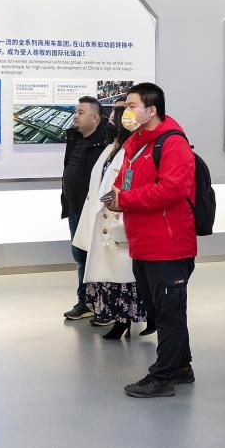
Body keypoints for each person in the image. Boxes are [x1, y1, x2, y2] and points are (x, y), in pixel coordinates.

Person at [104, 83, 196, 397]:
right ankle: (181, 367)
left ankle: (163, 376)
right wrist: (115, 196)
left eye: (131, 106)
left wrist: (126, 199)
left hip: (168, 244)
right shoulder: (137, 143)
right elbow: (123, 180)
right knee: (161, 311)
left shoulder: (172, 143)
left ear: (151, 110)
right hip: (143, 241)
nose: (125, 113)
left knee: (169, 313)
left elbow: (173, 189)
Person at [73, 105, 145, 339]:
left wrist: (109, 202)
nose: (110, 122)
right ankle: (114, 317)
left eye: (114, 118)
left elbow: (124, 185)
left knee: (123, 278)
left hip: (116, 216)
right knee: (109, 277)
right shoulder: (111, 148)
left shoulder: (131, 151)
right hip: (103, 217)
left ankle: (124, 320)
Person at [61, 96, 116, 321]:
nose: (75, 116)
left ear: (95, 118)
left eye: (81, 112)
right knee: (80, 256)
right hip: (75, 208)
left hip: (94, 211)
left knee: (98, 258)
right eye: (76, 111)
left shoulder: (105, 145)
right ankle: (86, 302)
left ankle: (104, 305)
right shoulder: (74, 138)